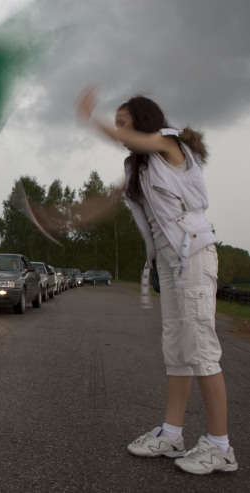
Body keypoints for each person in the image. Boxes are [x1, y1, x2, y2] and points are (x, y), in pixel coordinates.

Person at [77, 87, 237, 475]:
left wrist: (91, 118)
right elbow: (106, 202)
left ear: (141, 121)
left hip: (195, 255)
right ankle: (172, 433)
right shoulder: (138, 167)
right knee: (177, 348)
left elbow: (131, 139)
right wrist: (66, 218)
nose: (118, 131)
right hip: (168, 263)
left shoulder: (168, 143)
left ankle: (221, 447)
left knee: (201, 347)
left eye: (122, 122)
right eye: (115, 123)